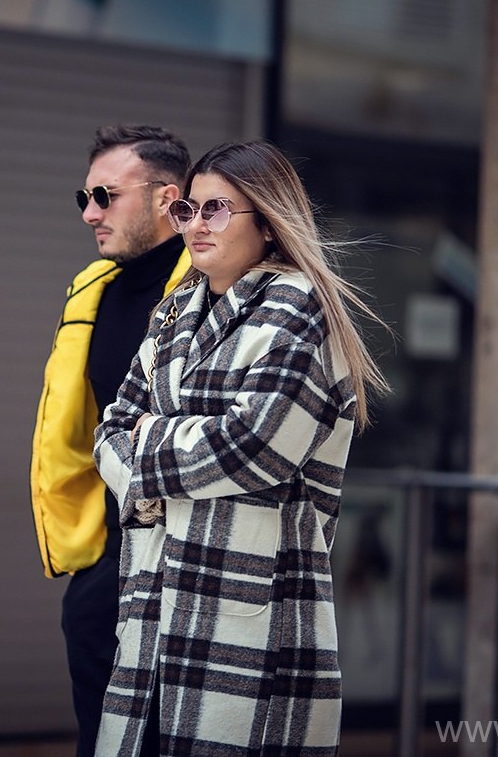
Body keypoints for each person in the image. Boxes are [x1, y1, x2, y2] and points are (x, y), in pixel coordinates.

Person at [92, 139, 390, 756]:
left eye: (216, 210)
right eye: (188, 210)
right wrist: (163, 451)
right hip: (153, 606)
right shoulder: (175, 312)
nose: (196, 225)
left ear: (269, 221)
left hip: (251, 613)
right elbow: (110, 431)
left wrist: (149, 450)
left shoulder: (301, 311)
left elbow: (252, 448)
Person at [30, 124, 192, 757]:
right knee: (99, 728)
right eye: (85, 198)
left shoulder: (215, 290)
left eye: (106, 196)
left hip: (187, 550)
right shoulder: (93, 289)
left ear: (167, 198)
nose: (89, 214)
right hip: (109, 548)